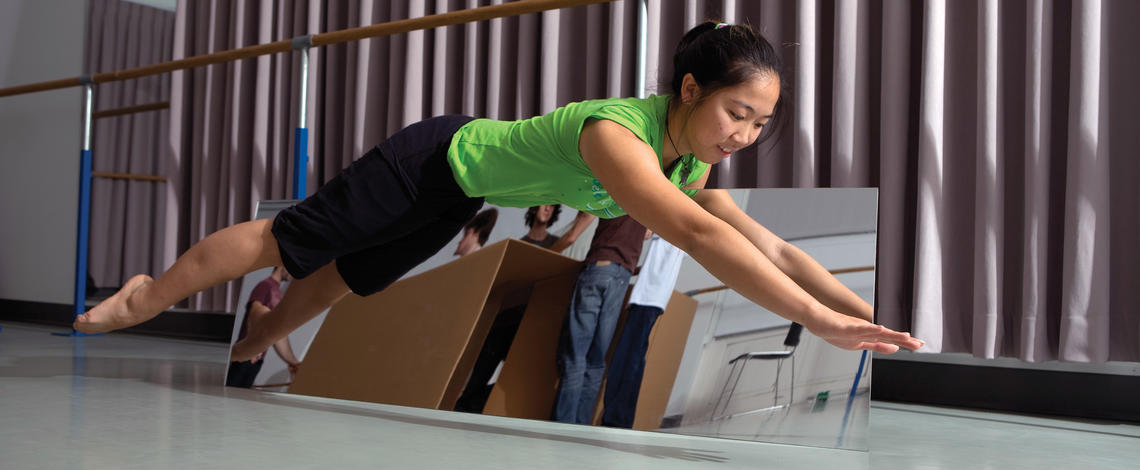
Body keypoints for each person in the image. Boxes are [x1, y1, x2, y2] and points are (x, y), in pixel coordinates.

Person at [75, 21, 923, 366]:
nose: (744, 135)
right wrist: (816, 323)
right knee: (289, 240)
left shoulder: (689, 162)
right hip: (432, 158)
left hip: (462, 192)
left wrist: (852, 310)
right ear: (693, 89)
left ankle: (259, 337)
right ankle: (146, 296)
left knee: (353, 278)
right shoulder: (618, 136)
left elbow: (765, 244)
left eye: (761, 126)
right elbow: (701, 241)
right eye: (738, 113)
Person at [553, 215, 647, 424]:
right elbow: (647, 233)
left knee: (576, 355)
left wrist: (546, 255)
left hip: (599, 269)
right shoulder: (647, 202)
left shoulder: (612, 191)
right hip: (622, 278)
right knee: (595, 361)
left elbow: (571, 236)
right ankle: (580, 428)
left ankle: (562, 428)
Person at [601, 232, 684, 428]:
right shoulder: (677, 236)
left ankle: (615, 419)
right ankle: (622, 418)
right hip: (654, 298)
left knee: (626, 360)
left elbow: (644, 233)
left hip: (647, 297)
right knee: (634, 359)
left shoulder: (666, 226)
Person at [225, 266, 302, 387]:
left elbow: (278, 334)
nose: (294, 275)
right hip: (246, 357)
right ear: (282, 264)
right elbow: (254, 315)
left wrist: (293, 362)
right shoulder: (265, 286)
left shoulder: (278, 293)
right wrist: (252, 347)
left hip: (257, 360)